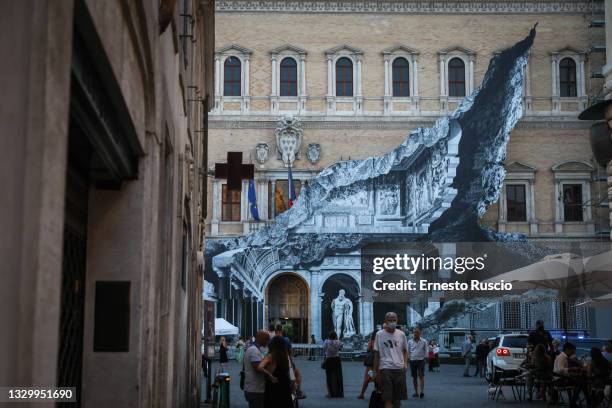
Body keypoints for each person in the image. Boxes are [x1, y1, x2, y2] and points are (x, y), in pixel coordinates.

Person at [373, 312, 409, 408]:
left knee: (397, 400)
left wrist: (405, 363)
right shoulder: (379, 335)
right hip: (385, 368)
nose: (392, 322)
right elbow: (376, 354)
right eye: (390, 320)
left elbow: (405, 350)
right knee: (388, 399)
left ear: (397, 320)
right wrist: (375, 372)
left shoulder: (401, 334)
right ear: (385, 321)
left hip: (399, 369)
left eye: (394, 320)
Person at [258, 336, 293, 407]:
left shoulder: (271, 356)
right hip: (284, 386)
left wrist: (270, 375)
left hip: (273, 386)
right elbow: (290, 370)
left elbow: (260, 367)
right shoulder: (285, 356)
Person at [554, 342, 588, 408]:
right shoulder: (562, 357)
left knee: (581, 381)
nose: (573, 353)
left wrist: (571, 371)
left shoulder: (562, 356)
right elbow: (560, 370)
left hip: (561, 378)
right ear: (567, 349)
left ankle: (574, 402)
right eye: (572, 351)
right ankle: (575, 402)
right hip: (560, 380)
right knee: (582, 382)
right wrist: (571, 369)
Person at [243, 331, 270, 408]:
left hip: (255, 388)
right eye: (266, 339)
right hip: (254, 389)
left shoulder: (256, 349)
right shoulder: (254, 350)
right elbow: (258, 368)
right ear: (260, 339)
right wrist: (270, 375)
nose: (267, 342)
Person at [323, 330, 344, 398]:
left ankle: (330, 393)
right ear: (335, 336)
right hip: (336, 359)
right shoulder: (338, 342)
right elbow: (341, 348)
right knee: (338, 376)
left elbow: (324, 349)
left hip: (328, 359)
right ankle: (339, 393)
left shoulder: (326, 341)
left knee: (328, 376)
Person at [408, 327, 427, 398]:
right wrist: (408, 359)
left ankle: (421, 392)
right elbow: (408, 351)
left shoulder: (424, 341)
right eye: (414, 332)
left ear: (420, 333)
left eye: (417, 332)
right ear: (413, 333)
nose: (416, 334)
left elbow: (426, 350)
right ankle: (416, 392)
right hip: (412, 361)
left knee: (421, 376)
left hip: (421, 361)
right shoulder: (410, 341)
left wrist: (425, 358)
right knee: (414, 377)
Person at [358, 330, 377, 399]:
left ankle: (362, 394)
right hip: (378, 363)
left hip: (371, 364)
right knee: (376, 378)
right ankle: (377, 392)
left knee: (367, 379)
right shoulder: (380, 341)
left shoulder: (371, 341)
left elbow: (368, 350)